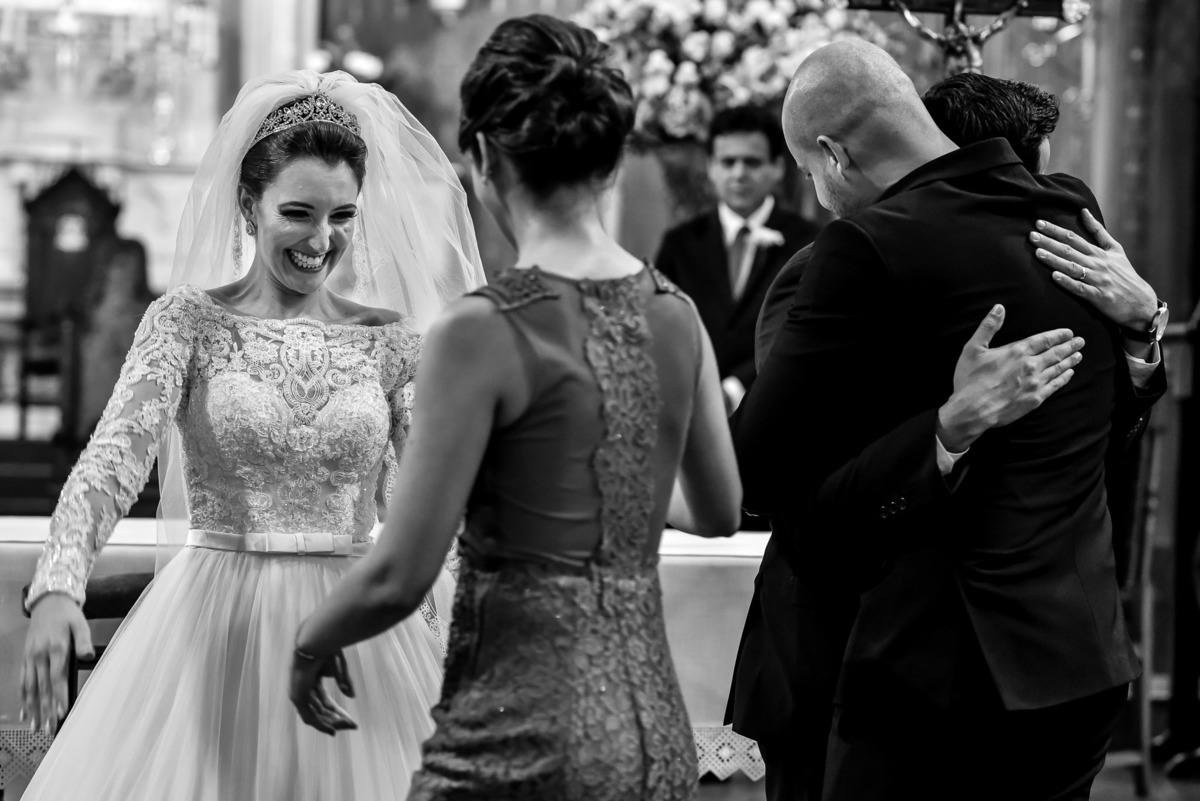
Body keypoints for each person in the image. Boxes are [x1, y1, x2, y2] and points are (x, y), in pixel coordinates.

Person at [288, 15, 742, 800]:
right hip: (653, 737)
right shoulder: (677, 312)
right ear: (610, 163)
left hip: (519, 732)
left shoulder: (483, 326)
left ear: (484, 156)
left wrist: (309, 641)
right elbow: (718, 509)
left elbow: (401, 572)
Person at [19, 70, 485, 800]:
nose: (321, 239)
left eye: (343, 216)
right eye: (298, 212)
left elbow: (424, 510)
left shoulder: (393, 341)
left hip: (359, 638)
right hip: (212, 626)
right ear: (247, 203)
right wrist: (57, 585)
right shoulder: (186, 322)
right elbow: (112, 460)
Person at [733, 40, 1167, 801]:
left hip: (934, 685)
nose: (819, 193)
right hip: (1080, 667)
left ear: (832, 155)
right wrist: (1140, 332)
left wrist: (943, 433)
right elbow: (1091, 429)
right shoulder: (1069, 213)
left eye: (809, 174)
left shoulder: (858, 248)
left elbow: (758, 477)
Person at [655, 104, 820, 412]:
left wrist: (734, 388)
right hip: (689, 403)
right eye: (728, 162)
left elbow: (803, 330)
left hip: (774, 407)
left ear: (777, 168)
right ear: (710, 167)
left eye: (752, 162)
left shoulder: (809, 241)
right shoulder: (679, 244)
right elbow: (662, 326)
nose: (739, 174)